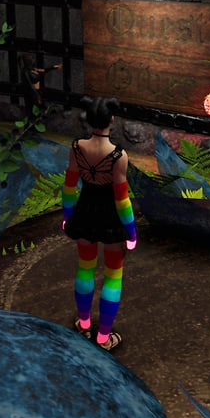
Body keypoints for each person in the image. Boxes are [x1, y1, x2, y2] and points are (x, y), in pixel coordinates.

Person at [60, 97, 137, 352]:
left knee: (85, 267)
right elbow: (122, 200)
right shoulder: (118, 156)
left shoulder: (76, 147)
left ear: (89, 118)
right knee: (113, 275)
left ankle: (84, 325)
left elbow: (69, 185)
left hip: (84, 213)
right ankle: (104, 337)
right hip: (111, 219)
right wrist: (131, 232)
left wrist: (67, 216)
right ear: (111, 120)